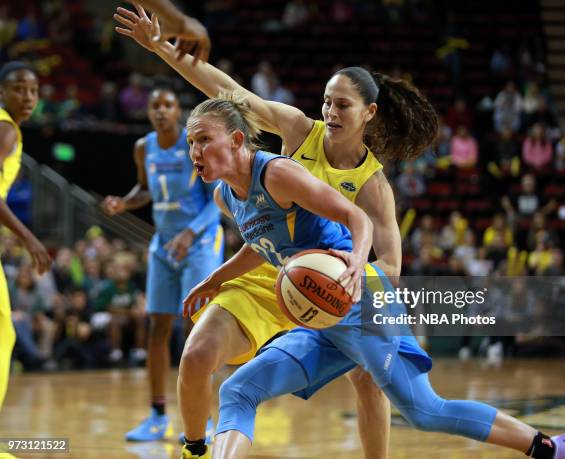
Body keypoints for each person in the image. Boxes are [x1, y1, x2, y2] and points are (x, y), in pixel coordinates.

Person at [184, 94, 565, 459]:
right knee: (238, 391)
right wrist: (215, 280)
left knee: (424, 411)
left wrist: (354, 266)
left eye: (204, 139)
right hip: (321, 315)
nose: (195, 150)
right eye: (191, 142)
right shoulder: (226, 194)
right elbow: (262, 243)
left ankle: (556, 449)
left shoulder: (277, 174)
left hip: (360, 302)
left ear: (237, 140)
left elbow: (356, 217)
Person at [113, 6, 438, 459]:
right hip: (272, 272)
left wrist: (342, 280)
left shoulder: (374, 186)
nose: (330, 111)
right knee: (200, 353)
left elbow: (391, 267)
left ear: (369, 113)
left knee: (369, 381)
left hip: (332, 281)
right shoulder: (299, 129)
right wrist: (161, 47)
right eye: (327, 101)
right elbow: (227, 91)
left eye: (342, 105)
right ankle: (195, 447)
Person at [102, 87, 224, 442]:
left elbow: (217, 200)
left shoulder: (195, 146)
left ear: (177, 111)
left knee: (196, 332)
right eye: (155, 105)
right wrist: (123, 204)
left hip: (200, 242)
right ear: (148, 111)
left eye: (167, 104)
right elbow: (145, 190)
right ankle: (157, 416)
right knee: (157, 329)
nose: (161, 110)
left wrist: (189, 233)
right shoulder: (144, 147)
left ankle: (205, 418)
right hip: (164, 246)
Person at [0, 61, 52, 429]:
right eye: (20, 88)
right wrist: (30, 239)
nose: (28, 96)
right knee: (2, 332)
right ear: (3, 92)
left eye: (33, 90)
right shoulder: (6, 130)